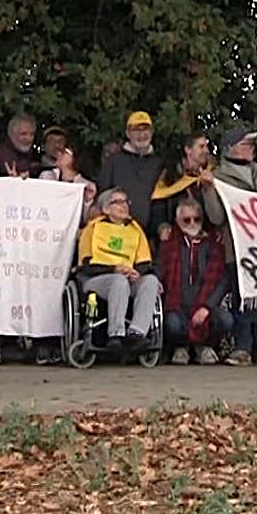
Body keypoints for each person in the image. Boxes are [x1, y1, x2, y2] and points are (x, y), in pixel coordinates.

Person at [203, 128, 257, 365]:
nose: (253, 149)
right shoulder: (218, 178)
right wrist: (209, 190)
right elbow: (216, 217)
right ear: (232, 149)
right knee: (243, 300)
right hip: (239, 250)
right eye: (247, 144)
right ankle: (244, 348)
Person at [78, 188, 162, 349]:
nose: (124, 205)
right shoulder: (93, 229)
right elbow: (86, 265)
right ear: (106, 209)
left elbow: (144, 262)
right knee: (119, 280)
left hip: (127, 278)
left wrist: (137, 273)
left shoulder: (135, 230)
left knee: (151, 281)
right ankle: (115, 334)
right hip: (97, 279)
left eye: (125, 201)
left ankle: (137, 333)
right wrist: (114, 269)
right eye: (117, 202)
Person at [158, 199, 232, 365]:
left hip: (205, 305)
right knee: (172, 324)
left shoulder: (214, 243)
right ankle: (181, 347)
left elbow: (222, 281)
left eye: (196, 219)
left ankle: (203, 346)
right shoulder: (169, 242)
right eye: (186, 220)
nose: (192, 223)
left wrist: (207, 307)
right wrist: (156, 281)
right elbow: (159, 268)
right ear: (177, 221)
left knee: (226, 320)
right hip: (177, 305)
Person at [96, 111, 163, 230]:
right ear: (127, 133)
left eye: (145, 129)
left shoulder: (159, 164)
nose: (141, 134)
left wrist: (161, 226)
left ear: (152, 132)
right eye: (136, 130)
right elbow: (103, 196)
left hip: (151, 235)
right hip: (118, 231)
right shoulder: (114, 161)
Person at [149, 134, 215, 241]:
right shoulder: (171, 174)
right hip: (176, 240)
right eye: (201, 147)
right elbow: (159, 204)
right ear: (188, 149)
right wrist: (162, 227)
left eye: (206, 147)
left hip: (206, 239)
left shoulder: (212, 174)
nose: (206, 151)